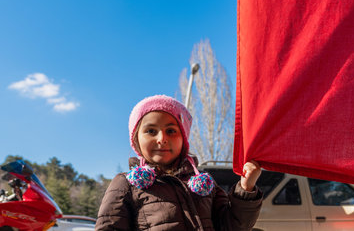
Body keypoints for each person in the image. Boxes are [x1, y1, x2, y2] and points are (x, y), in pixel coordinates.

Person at [96, 95, 263, 231]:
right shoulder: (126, 184)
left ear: (183, 138)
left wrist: (246, 189)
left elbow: (233, 227)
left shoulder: (205, 185)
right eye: (151, 131)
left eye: (171, 131)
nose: (162, 139)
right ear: (136, 139)